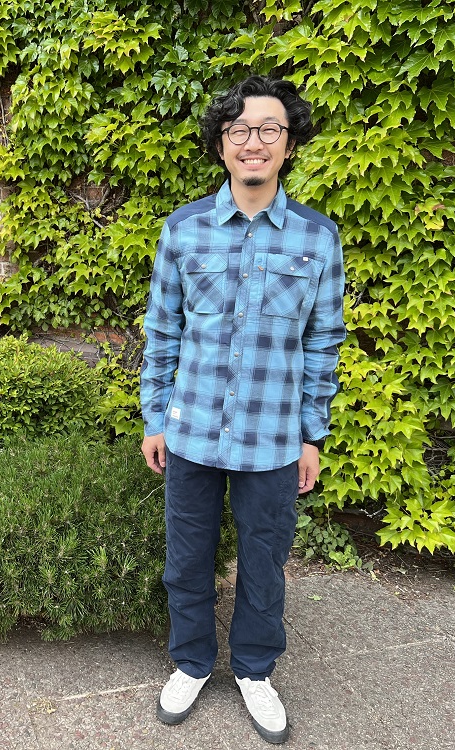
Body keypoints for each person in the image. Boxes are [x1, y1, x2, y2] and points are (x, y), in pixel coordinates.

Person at [139, 75, 345, 745]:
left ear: (289, 143)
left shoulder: (317, 238)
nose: (254, 142)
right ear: (222, 143)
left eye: (269, 130)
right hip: (193, 431)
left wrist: (312, 435)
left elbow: (324, 342)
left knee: (264, 563)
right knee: (186, 560)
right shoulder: (184, 230)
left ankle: (255, 671)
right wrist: (155, 416)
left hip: (273, 438)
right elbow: (163, 330)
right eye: (240, 130)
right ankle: (192, 663)